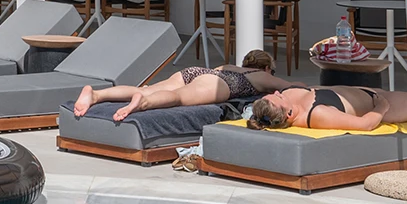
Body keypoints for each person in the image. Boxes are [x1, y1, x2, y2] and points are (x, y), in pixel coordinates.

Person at [72, 50, 293, 121]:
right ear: (267, 68)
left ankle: (96, 95)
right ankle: (144, 103)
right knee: (179, 97)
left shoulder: (230, 65)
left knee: (146, 88)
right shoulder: (261, 76)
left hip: (197, 72)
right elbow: (292, 86)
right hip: (222, 83)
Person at [247, 80, 407, 131]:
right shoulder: (319, 115)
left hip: (363, 93)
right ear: (290, 114)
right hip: (378, 106)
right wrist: (381, 107)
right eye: (278, 97)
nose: (279, 92)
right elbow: (365, 124)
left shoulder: (289, 96)